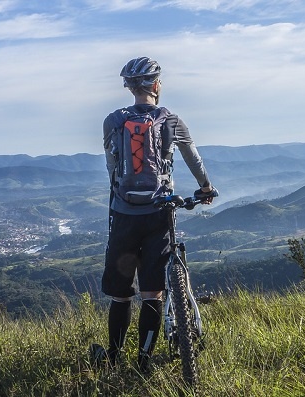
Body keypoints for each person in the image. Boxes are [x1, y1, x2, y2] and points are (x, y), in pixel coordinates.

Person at [92, 56, 218, 373]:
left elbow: (111, 167)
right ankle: (144, 360)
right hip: (159, 213)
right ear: (157, 85)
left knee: (121, 296)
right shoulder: (171, 120)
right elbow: (193, 158)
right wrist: (205, 187)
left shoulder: (112, 121)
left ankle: (111, 358)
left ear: (130, 87)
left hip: (123, 213)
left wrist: (121, 195)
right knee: (153, 292)